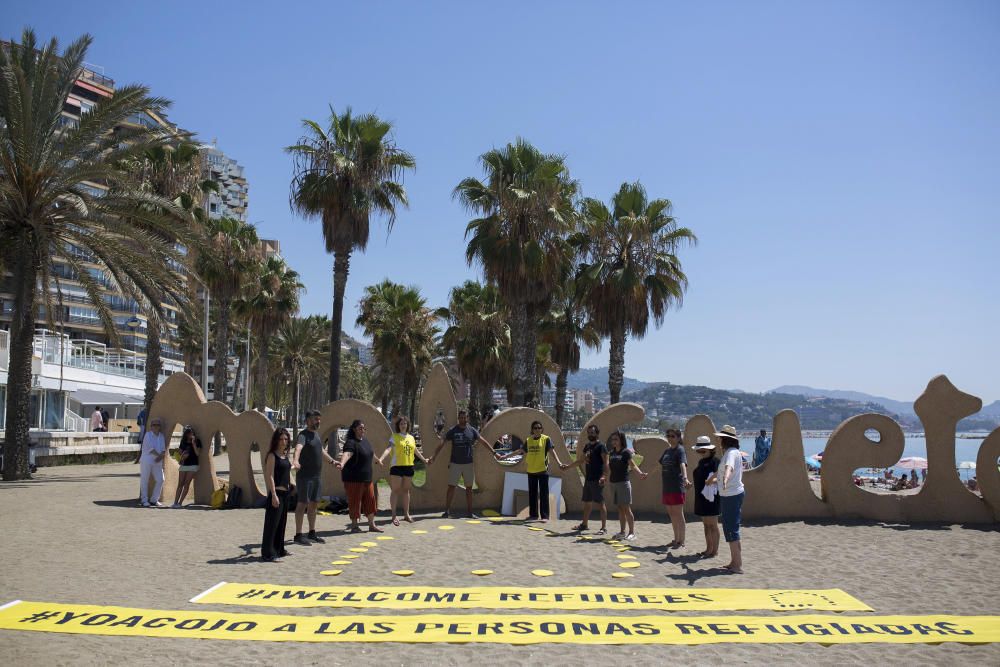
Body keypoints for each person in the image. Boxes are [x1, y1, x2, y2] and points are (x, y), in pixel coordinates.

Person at [430, 409, 497, 518]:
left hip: (468, 464)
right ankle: (447, 511)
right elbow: (442, 443)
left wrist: (494, 452)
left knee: (469, 488)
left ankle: (470, 512)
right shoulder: (453, 430)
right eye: (461, 417)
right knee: (451, 487)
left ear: (467, 418)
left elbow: (483, 441)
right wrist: (434, 457)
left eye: (465, 417)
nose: (463, 419)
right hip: (455, 463)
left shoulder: (472, 430)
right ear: (458, 418)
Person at [500, 420, 567, 522]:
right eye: (535, 428)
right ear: (532, 430)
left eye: (539, 428)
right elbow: (520, 451)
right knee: (532, 494)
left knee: (544, 494)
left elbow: (552, 452)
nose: (537, 429)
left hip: (543, 470)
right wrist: (505, 456)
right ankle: (533, 515)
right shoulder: (529, 440)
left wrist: (559, 463)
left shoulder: (546, 439)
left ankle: (545, 516)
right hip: (531, 470)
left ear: (542, 429)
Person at [292, 410, 337, 546]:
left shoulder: (316, 435)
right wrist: (295, 460)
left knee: (313, 504)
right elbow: (298, 448)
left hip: (316, 477)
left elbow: (321, 451)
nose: (318, 421)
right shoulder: (303, 435)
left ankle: (312, 532)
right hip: (305, 477)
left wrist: (333, 462)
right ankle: (298, 535)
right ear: (308, 420)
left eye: (319, 419)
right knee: (302, 504)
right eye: (315, 419)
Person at [376, 415, 430, 526]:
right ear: (398, 426)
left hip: (408, 466)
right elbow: (388, 448)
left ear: (408, 425)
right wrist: (381, 458)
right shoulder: (394, 436)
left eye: (405, 423)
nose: (403, 425)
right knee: (395, 490)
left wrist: (424, 460)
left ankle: (406, 514)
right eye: (401, 424)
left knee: (406, 491)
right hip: (396, 467)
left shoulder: (411, 438)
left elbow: (415, 450)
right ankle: (394, 516)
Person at [561, 424, 609, 534]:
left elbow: (606, 462)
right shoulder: (587, 446)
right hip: (588, 479)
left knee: (601, 503)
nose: (590, 434)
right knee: (587, 502)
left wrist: (604, 476)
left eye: (593, 432)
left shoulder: (601, 446)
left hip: (598, 479)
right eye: (589, 432)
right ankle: (584, 524)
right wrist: (568, 467)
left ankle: (603, 528)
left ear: (597, 433)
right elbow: (580, 460)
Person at [336, 419, 382, 533]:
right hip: (353, 479)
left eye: (363, 428)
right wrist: (342, 463)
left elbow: (370, 452)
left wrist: (378, 460)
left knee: (371, 501)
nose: (362, 430)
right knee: (355, 502)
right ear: (354, 429)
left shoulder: (365, 441)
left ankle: (372, 525)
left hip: (367, 478)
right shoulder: (351, 442)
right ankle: (355, 525)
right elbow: (347, 453)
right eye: (360, 428)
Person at [607, 430, 648, 540]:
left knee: (626, 508)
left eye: (616, 439)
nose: (613, 441)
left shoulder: (625, 452)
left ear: (621, 440)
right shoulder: (611, 453)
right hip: (613, 483)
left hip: (623, 483)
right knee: (620, 508)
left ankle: (632, 533)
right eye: (612, 439)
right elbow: (609, 468)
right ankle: (622, 532)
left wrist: (640, 474)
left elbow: (633, 465)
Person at [716, 424, 745, 574]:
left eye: (721, 438)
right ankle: (734, 561)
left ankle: (737, 565)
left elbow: (729, 468)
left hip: (732, 495)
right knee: (729, 528)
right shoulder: (731, 452)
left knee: (732, 529)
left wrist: (726, 479)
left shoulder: (731, 454)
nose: (719, 441)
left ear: (725, 440)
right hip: (730, 495)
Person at [261, 428, 293, 562]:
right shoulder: (272, 456)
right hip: (277, 493)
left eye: (285, 439)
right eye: (281, 439)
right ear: (276, 440)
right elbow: (270, 476)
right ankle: (268, 553)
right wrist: (273, 494)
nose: (283, 442)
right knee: (272, 524)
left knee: (282, 523)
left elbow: (288, 473)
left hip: (286, 494)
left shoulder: (285, 456)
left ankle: (279, 549)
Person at [660, 428, 692, 548]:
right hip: (666, 487)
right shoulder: (667, 451)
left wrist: (685, 478)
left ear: (678, 438)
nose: (670, 438)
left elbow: (683, 465)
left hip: (676, 487)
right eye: (668, 436)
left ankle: (681, 541)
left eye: (672, 436)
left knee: (678, 514)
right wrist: (646, 474)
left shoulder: (680, 450)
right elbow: (659, 464)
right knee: (672, 514)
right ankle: (676, 539)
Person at [691, 436, 720, 558]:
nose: (700, 453)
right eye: (699, 450)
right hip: (701, 497)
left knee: (713, 524)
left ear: (710, 449)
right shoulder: (702, 462)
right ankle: (708, 548)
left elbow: (721, 477)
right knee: (706, 525)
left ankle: (714, 550)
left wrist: (712, 481)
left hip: (712, 498)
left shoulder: (716, 462)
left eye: (702, 450)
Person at [171, 427, 202, 508]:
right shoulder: (183, 442)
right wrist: (181, 454)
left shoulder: (197, 441)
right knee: (180, 484)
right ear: (186, 434)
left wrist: (193, 443)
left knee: (186, 484)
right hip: (184, 465)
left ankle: (180, 503)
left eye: (191, 433)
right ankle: (175, 503)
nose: (190, 435)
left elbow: (197, 453)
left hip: (193, 465)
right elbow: (181, 453)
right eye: (188, 433)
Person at [139, 418, 166, 507]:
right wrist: (159, 456)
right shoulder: (148, 435)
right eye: (154, 425)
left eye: (158, 425)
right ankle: (144, 500)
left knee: (161, 479)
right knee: (145, 480)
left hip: (158, 461)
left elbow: (163, 449)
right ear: (151, 427)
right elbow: (150, 449)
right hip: (147, 460)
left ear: (160, 427)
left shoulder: (161, 436)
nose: (156, 426)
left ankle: (154, 500)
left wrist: (161, 456)